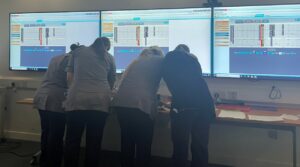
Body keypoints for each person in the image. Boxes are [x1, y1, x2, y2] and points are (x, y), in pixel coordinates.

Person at [63, 37, 116, 167]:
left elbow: (69, 76)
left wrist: (73, 90)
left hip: (77, 99)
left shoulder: (78, 52)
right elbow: (111, 81)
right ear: (106, 47)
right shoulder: (109, 57)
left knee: (72, 140)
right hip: (100, 101)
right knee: (94, 142)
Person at [162, 46, 215, 167]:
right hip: (205, 106)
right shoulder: (193, 61)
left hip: (183, 107)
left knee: (180, 145)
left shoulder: (169, 58)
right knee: (200, 146)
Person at [112, 46, 164, 167]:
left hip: (122, 103)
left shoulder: (136, 61)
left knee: (127, 141)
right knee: (143, 144)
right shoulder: (159, 61)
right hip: (140, 105)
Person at [33, 43, 81, 167]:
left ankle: (45, 160)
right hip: (56, 98)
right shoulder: (74, 60)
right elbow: (71, 81)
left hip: (42, 94)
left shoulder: (56, 57)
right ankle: (53, 162)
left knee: (46, 131)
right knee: (56, 134)